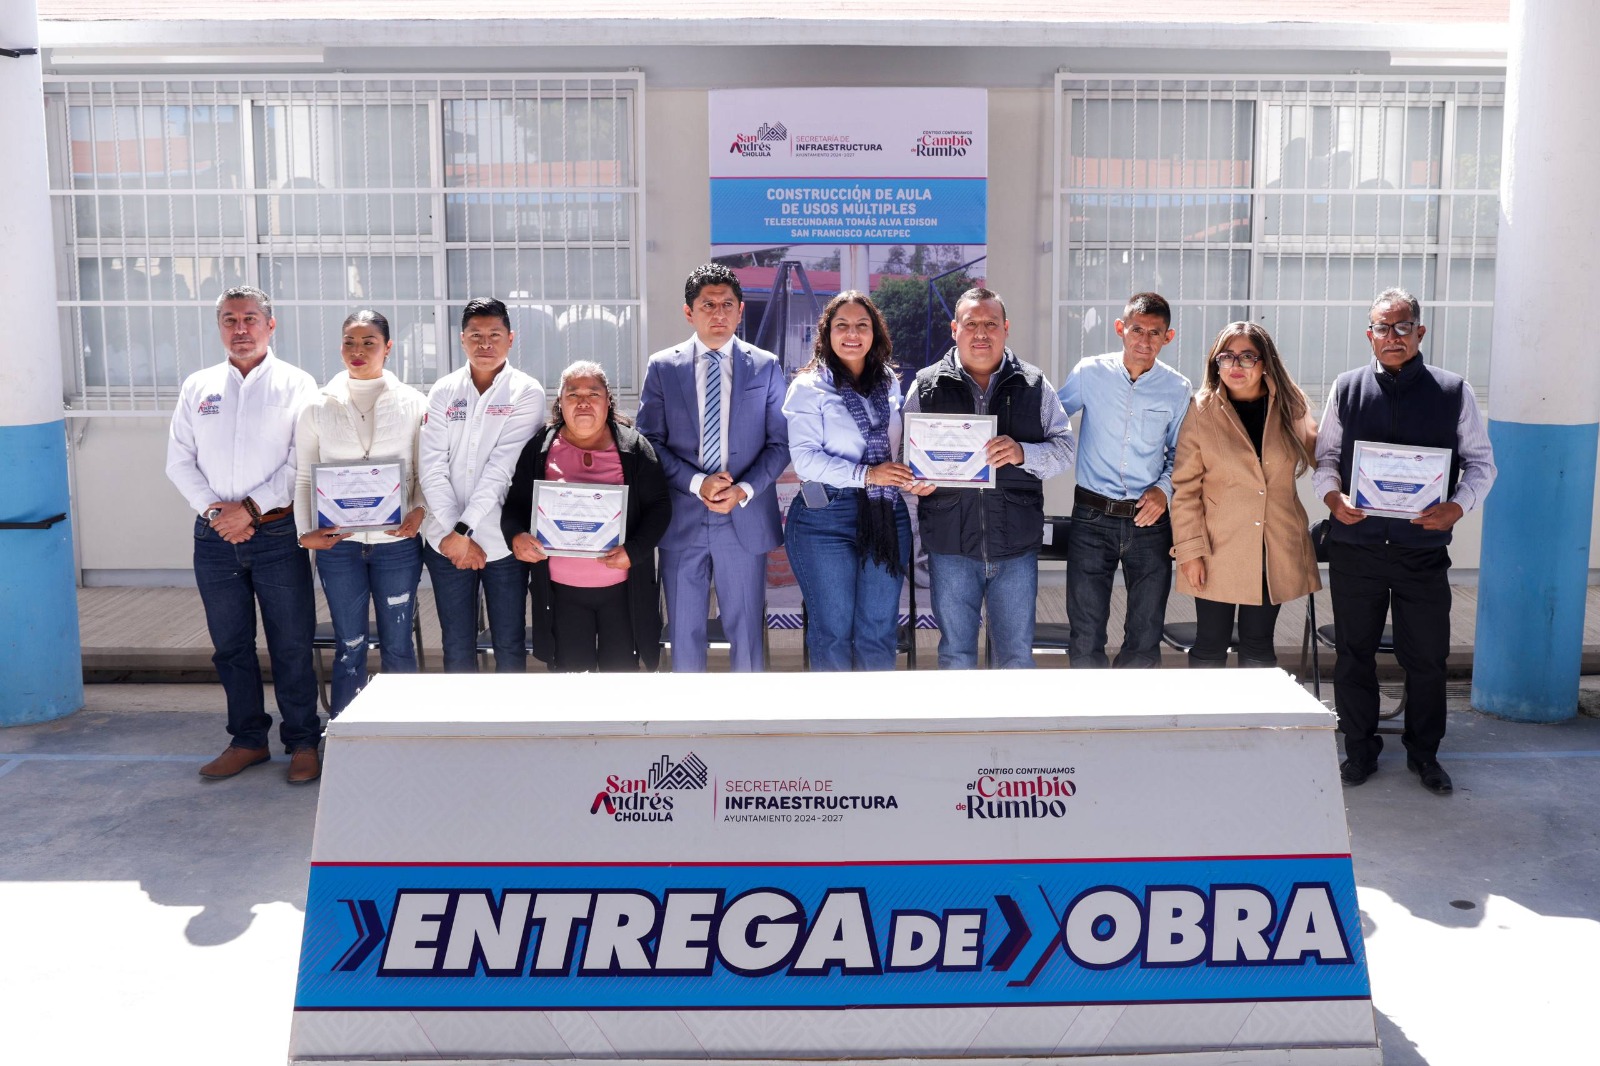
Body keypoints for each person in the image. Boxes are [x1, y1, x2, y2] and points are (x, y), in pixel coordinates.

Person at [1316, 288, 1496, 794]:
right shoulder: (1347, 388)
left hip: (1421, 553)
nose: (1391, 338)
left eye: (1401, 328)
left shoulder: (1453, 391)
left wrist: (1457, 506)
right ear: (1368, 334)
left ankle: (1425, 755)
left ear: (1419, 331)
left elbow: (1482, 465)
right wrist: (1332, 499)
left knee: (1427, 659)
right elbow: (1326, 459)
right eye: (1381, 328)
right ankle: (1359, 750)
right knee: (1354, 655)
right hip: (1357, 549)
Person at [166, 286, 321, 784]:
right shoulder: (199, 387)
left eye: (251, 318)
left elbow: (303, 461)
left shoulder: (298, 385)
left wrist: (251, 509)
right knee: (230, 644)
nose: (240, 329)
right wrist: (219, 513)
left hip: (277, 536)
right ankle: (248, 739)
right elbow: (179, 461)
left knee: (291, 642)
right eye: (230, 320)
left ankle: (302, 741)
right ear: (220, 327)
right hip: (215, 538)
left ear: (270, 325)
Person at [904, 286, 1076, 669]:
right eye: (971, 324)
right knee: (955, 654)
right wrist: (914, 482)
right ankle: (960, 731)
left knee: (1015, 656)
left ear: (1006, 328)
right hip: (950, 548)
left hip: (1015, 547)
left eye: (990, 324)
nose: (981, 333)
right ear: (954, 329)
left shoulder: (1034, 385)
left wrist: (1023, 452)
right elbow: (904, 462)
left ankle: (1010, 730)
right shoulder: (926, 386)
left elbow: (1064, 451)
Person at [636, 263, 790, 672]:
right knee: (683, 631)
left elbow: (781, 442)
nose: (718, 314)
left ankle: (748, 722)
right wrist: (698, 483)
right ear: (689, 313)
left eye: (727, 305)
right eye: (708, 305)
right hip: (682, 515)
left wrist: (742, 490)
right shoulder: (663, 367)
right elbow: (649, 441)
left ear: (741, 311)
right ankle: (690, 724)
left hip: (743, 515)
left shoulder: (766, 366)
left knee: (746, 632)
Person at [783, 292, 933, 671]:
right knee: (833, 630)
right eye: (842, 325)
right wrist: (867, 475)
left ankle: (874, 723)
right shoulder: (808, 387)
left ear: (875, 333)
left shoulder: (889, 382)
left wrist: (917, 474)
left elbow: (896, 449)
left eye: (862, 325)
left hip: (885, 514)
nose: (852, 334)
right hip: (824, 518)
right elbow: (805, 461)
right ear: (827, 333)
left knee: (878, 629)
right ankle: (835, 726)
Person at [293, 309, 428, 716]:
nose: (358, 350)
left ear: (387, 348)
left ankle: (402, 731)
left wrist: (419, 510)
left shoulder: (413, 402)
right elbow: (303, 478)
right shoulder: (316, 406)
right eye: (350, 341)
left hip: (396, 545)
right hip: (340, 548)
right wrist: (305, 535)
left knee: (398, 644)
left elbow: (423, 471)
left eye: (369, 342)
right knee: (349, 645)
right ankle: (346, 735)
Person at [501, 361, 671, 672]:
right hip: (561, 592)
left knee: (620, 681)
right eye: (573, 394)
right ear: (560, 402)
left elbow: (659, 507)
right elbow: (515, 505)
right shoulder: (540, 448)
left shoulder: (634, 448)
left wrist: (635, 551)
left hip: (621, 591)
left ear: (608, 401)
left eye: (593, 393)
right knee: (571, 685)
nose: (583, 402)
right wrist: (516, 537)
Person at [1170, 322, 1320, 668]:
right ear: (1216, 363)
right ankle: (1208, 723)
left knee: (1257, 645)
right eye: (1227, 357)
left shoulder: (1291, 405)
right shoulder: (1201, 409)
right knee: (1210, 644)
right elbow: (1186, 488)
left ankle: (1254, 722)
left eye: (1247, 357)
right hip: (1216, 547)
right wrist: (1190, 551)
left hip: (1273, 545)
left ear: (1265, 362)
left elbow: (1325, 459)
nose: (1236, 366)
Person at [1059, 291, 1191, 669]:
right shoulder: (1090, 372)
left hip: (1149, 522)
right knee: (1085, 633)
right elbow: (1050, 418)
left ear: (1168, 337)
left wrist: (1164, 492)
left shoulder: (1178, 389)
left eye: (1155, 333)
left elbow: (1180, 454)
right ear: (1121, 329)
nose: (1144, 341)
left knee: (1145, 635)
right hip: (1091, 516)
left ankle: (1132, 720)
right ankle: (1091, 724)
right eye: (1137, 330)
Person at [419, 297, 545, 673]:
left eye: (494, 335)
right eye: (475, 336)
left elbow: (501, 469)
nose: (484, 344)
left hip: (501, 540)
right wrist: (454, 534)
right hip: (445, 541)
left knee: (508, 641)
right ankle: (460, 727)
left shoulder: (526, 391)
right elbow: (431, 466)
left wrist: (465, 529)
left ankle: (507, 729)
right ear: (462, 340)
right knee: (456, 643)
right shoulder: (443, 391)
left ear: (510, 338)